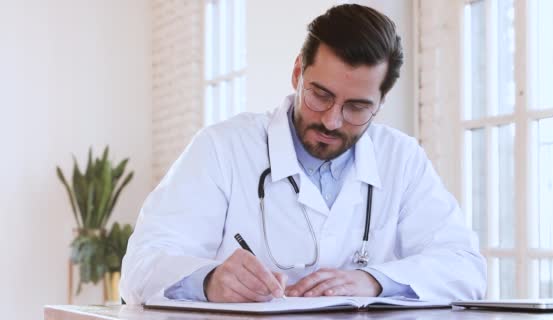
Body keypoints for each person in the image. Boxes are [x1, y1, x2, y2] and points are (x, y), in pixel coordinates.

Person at [120, 4, 486, 304]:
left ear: (381, 102)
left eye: (357, 107)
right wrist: (208, 279)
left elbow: (465, 269)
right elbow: (140, 266)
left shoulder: (402, 159)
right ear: (298, 72)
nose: (331, 120)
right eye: (320, 95)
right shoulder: (222, 148)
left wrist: (372, 281)